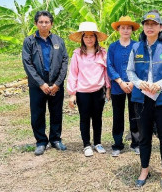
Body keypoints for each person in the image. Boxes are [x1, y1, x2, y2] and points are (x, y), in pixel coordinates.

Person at [127, 11, 162, 189]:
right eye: (146, 24)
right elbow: (130, 71)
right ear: (143, 27)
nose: (149, 27)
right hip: (142, 99)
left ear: (160, 27)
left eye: (154, 24)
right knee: (144, 136)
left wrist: (160, 84)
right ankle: (144, 168)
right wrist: (139, 83)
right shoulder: (136, 48)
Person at [22, 10, 68, 156]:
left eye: (46, 22)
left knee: (56, 112)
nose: (43, 24)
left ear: (51, 24)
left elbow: (64, 61)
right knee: (37, 113)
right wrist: (41, 83)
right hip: (37, 85)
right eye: (40, 22)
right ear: (36, 24)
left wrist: (58, 83)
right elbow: (27, 63)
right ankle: (41, 141)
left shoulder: (58, 41)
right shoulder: (29, 41)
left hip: (55, 84)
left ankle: (55, 139)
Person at [67, 22, 111, 157]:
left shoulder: (102, 53)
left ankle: (97, 142)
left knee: (98, 118)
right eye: (86, 37)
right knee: (84, 118)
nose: (89, 39)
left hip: (98, 91)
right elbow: (73, 73)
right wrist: (72, 93)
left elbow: (106, 72)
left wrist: (108, 88)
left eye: (92, 36)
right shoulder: (77, 54)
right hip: (82, 92)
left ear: (96, 38)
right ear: (82, 38)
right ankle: (86, 144)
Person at [107, 16, 140, 157]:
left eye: (128, 28)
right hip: (117, 86)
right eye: (123, 28)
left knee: (135, 115)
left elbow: (140, 65)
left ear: (132, 30)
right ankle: (118, 144)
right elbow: (109, 65)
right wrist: (120, 81)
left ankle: (136, 143)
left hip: (134, 86)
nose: (126, 30)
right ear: (118, 30)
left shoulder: (138, 46)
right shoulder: (113, 47)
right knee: (118, 115)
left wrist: (132, 82)